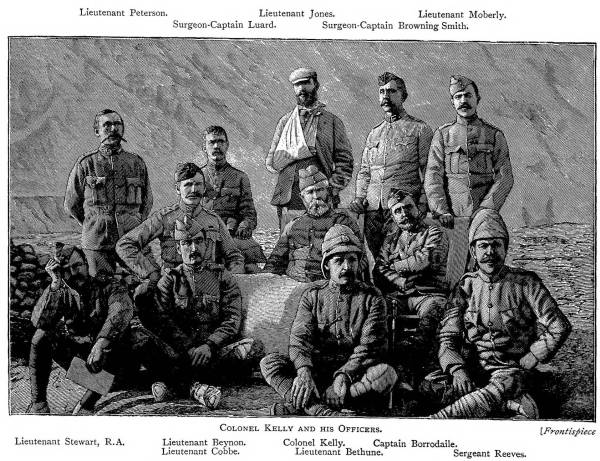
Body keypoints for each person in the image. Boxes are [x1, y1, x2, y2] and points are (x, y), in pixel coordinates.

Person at [425, 209, 571, 419]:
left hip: (511, 370)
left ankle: (442, 419)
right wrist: (457, 369)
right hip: (475, 369)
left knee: (503, 385)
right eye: (483, 246)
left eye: (496, 245)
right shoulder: (465, 286)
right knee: (430, 384)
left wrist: (534, 355)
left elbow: (559, 325)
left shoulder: (526, 283)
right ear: (473, 251)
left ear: (505, 248)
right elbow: (448, 336)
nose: (490, 252)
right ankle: (509, 404)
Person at [260, 224, 397, 416]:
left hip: (353, 374)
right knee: (269, 363)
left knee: (386, 375)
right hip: (317, 372)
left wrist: (343, 375)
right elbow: (299, 340)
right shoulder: (312, 295)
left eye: (352, 260)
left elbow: (368, 347)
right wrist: (304, 371)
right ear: (327, 265)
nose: (347, 267)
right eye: (339, 261)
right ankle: (322, 411)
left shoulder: (372, 297)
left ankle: (306, 405)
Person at [147, 218, 252, 405]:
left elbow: (232, 318)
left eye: (198, 241)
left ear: (206, 244)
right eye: (187, 243)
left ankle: (174, 384)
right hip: (180, 350)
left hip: (212, 350)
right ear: (178, 248)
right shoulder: (169, 280)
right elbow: (164, 321)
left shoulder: (222, 276)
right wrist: (188, 347)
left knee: (253, 348)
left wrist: (210, 345)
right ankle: (196, 388)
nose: (194, 248)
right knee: (148, 343)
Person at [27, 243, 134, 414]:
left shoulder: (107, 286)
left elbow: (121, 309)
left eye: (77, 265)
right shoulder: (62, 291)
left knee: (127, 340)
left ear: (86, 263)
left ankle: (87, 404)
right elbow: (40, 322)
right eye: (66, 269)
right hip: (82, 363)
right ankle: (38, 405)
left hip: (108, 359)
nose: (74, 272)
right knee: (41, 336)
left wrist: (101, 343)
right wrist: (54, 284)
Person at [116, 162, 244, 303]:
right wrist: (151, 272)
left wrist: (230, 279)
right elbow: (125, 244)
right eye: (188, 185)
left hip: (207, 290)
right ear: (178, 188)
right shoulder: (165, 218)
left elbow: (234, 256)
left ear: (204, 188)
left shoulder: (213, 220)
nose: (194, 190)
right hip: (172, 289)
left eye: (198, 184)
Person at [350, 72, 433, 257]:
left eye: (391, 91)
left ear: (403, 95)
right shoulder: (374, 133)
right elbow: (365, 171)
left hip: (402, 209)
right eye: (382, 92)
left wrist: (422, 204)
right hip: (373, 210)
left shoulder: (419, 129)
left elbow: (429, 172)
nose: (386, 96)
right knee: (377, 259)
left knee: (399, 258)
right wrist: (359, 197)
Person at [64, 109, 153, 277]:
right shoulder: (86, 164)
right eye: (107, 125)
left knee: (151, 279)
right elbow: (71, 205)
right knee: (100, 287)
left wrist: (133, 222)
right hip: (97, 243)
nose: (113, 129)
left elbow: (147, 202)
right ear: (97, 131)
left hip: (131, 240)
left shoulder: (136, 163)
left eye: (117, 124)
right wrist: (94, 223)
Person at [373, 188, 448, 378]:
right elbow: (379, 269)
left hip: (429, 294)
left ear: (418, 208)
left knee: (432, 315)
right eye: (398, 211)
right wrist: (400, 281)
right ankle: (386, 367)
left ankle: (423, 369)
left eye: (408, 207)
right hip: (400, 296)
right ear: (393, 216)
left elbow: (424, 260)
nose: (404, 213)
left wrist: (395, 265)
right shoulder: (390, 240)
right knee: (377, 311)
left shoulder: (434, 232)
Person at [265, 67, 353, 231]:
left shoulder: (332, 122)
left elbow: (345, 161)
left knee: (320, 238)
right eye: (297, 85)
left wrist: (333, 188)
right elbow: (272, 161)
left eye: (306, 83)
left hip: (319, 194)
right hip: (288, 195)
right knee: (290, 240)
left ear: (316, 84)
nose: (301, 88)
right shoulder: (285, 122)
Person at [424, 76, 514, 229]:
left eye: (468, 95)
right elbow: (433, 176)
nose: (463, 101)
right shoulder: (442, 135)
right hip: (451, 218)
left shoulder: (494, 135)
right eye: (458, 97)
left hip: (484, 218)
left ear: (477, 98)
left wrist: (486, 209)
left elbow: (505, 177)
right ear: (452, 102)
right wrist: (441, 210)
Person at [264, 165, 362, 283]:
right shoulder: (292, 225)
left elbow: (361, 259)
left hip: (329, 285)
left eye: (320, 190)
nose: (316, 196)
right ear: (302, 197)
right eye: (310, 192)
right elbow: (276, 259)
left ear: (328, 191)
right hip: (293, 283)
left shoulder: (344, 222)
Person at [200, 125, 266, 273]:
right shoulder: (197, 178)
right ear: (204, 147)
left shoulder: (240, 177)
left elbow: (249, 213)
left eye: (221, 141)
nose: (216, 146)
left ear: (227, 145)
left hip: (233, 234)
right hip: (205, 235)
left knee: (250, 268)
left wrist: (245, 226)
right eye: (212, 142)